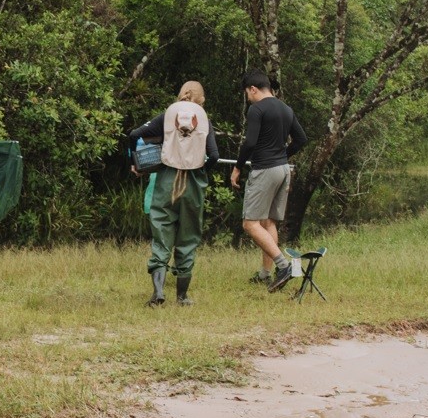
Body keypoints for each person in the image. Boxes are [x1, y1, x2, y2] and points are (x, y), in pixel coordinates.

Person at [128, 81, 219, 306]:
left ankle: (158, 293)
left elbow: (134, 134)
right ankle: (182, 296)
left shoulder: (166, 115)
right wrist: (201, 170)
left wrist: (136, 164)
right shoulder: (204, 119)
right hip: (193, 183)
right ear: (201, 99)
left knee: (162, 234)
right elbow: (215, 156)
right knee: (188, 237)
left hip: (166, 179)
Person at [230, 69, 308, 293]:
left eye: (247, 93)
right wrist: (283, 154)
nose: (248, 98)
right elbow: (301, 139)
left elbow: (250, 142)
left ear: (253, 89)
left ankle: (283, 266)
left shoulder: (257, 109)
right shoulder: (285, 108)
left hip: (265, 169)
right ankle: (265, 274)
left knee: (250, 223)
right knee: (269, 222)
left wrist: (237, 167)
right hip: (283, 169)